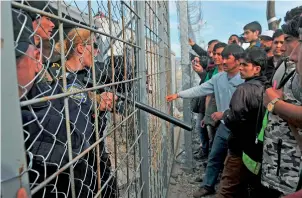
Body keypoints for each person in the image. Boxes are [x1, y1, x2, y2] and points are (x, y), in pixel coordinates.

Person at [167, 44, 245, 197]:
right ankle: (208, 185)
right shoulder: (218, 78)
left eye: (225, 57)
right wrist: (179, 95)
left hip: (240, 127)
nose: (222, 61)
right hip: (224, 126)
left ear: (237, 61)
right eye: (221, 57)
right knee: (215, 155)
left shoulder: (245, 80)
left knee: (237, 161)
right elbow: (200, 89)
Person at [216, 47, 268, 198]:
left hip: (239, 150)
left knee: (227, 189)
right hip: (256, 150)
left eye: (245, 65)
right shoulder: (267, 87)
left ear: (257, 68)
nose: (241, 68)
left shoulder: (244, 89)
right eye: (241, 64)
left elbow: (234, 119)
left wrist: (224, 115)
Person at [261, 13, 302, 197]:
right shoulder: (286, 66)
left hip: (292, 166)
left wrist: (275, 103)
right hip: (277, 157)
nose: (286, 49)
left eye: (288, 40)